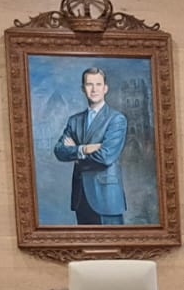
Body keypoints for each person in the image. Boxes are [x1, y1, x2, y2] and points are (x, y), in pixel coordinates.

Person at [52, 65, 128, 225]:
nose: (94, 89)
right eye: (89, 84)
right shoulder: (74, 121)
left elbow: (106, 157)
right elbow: (59, 151)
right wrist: (84, 149)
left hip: (107, 198)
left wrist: (76, 155)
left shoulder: (116, 119)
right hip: (81, 197)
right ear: (83, 89)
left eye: (98, 84)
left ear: (105, 88)